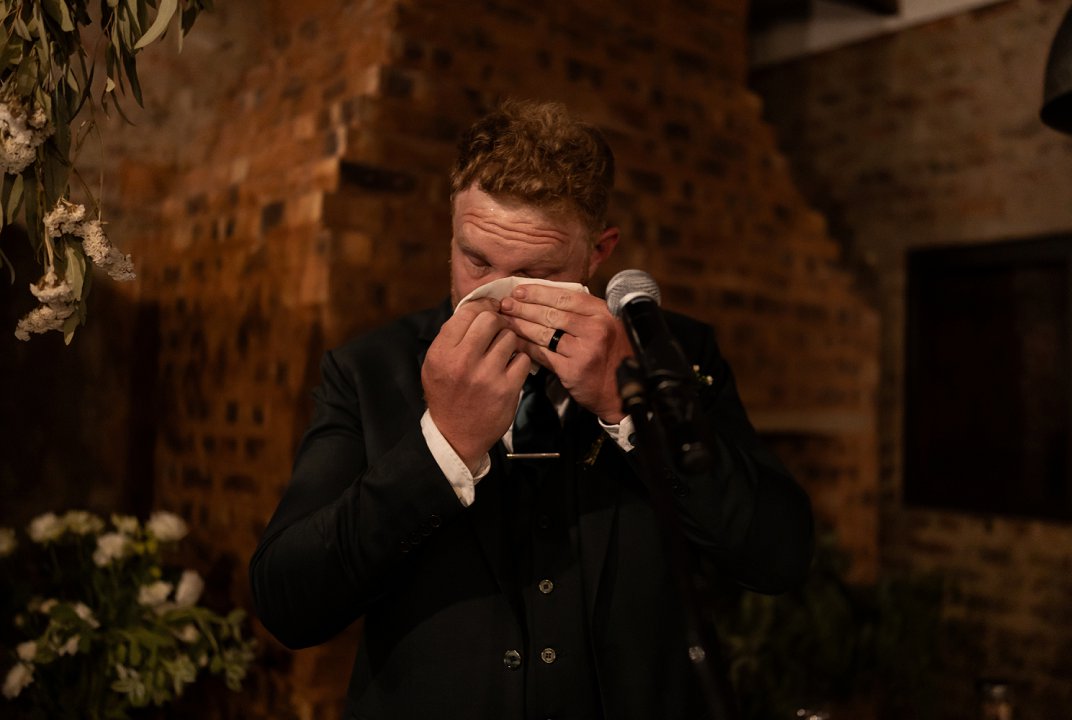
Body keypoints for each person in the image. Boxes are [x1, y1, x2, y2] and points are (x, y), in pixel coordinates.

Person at [249, 99, 813, 720]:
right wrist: (443, 446)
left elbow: (777, 556)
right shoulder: (367, 371)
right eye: (476, 260)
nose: (498, 295)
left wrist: (627, 408)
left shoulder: (669, 352)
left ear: (598, 253)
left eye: (537, 272)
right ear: (452, 231)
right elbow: (288, 605)